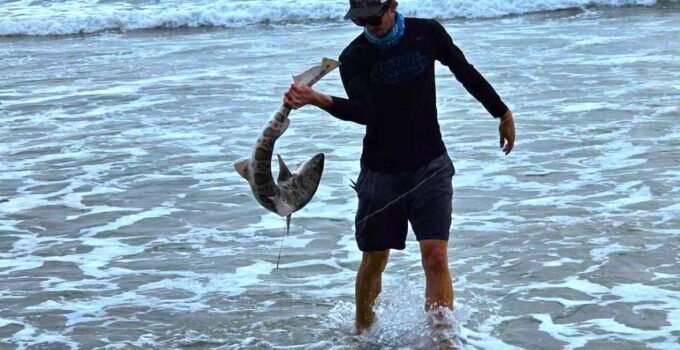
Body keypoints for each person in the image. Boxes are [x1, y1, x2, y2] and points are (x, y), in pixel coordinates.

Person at [283, 0, 515, 334]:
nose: (369, 26)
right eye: (359, 20)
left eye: (374, 17)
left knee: (435, 256)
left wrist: (502, 113)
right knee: (374, 259)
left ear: (393, 5)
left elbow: (464, 71)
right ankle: (363, 333)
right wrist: (320, 99)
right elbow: (367, 113)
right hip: (380, 174)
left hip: (431, 165)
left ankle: (442, 339)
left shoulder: (426, 34)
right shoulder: (354, 57)